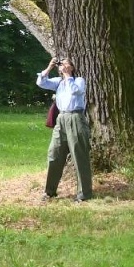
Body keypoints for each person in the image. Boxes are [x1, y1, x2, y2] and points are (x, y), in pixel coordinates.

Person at [37, 55, 92, 201]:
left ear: (72, 67)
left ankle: (84, 194)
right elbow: (41, 82)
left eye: (66, 64)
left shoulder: (79, 81)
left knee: (79, 156)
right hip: (61, 119)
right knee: (54, 154)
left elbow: (76, 91)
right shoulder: (58, 82)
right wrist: (50, 67)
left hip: (76, 118)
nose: (63, 66)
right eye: (61, 65)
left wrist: (68, 76)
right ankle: (50, 191)